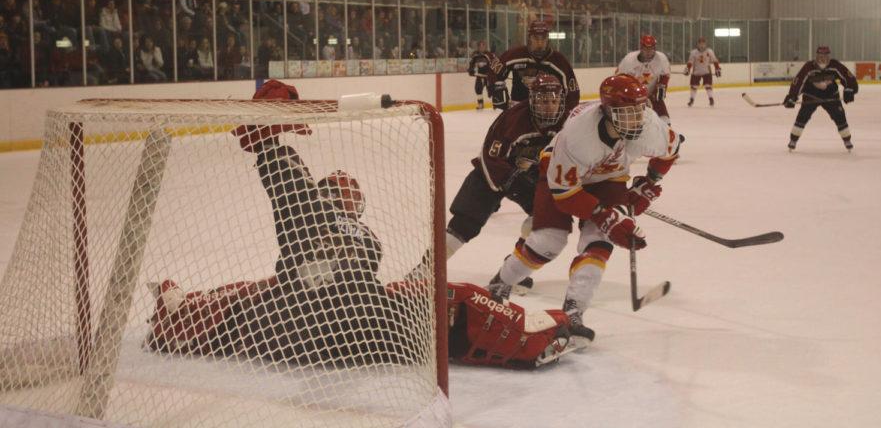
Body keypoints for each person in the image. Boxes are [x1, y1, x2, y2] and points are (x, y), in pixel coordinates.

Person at [144, 80, 575, 370]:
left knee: (253, 295)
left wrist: (181, 307)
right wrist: (270, 144)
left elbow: (277, 250)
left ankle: (180, 315)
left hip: (291, 327)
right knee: (451, 301)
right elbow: (294, 199)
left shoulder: (322, 226)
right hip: (351, 328)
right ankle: (527, 338)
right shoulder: (338, 226)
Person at [486, 74, 683, 347]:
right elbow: (566, 195)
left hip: (609, 178)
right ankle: (499, 284)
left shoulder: (650, 126)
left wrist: (649, 184)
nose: (636, 119)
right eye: (626, 113)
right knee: (548, 242)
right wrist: (608, 217)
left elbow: (672, 150)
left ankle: (574, 311)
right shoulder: (578, 136)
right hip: (561, 176)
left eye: (639, 110)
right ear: (607, 110)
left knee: (598, 242)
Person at [445, 75, 567, 293]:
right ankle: (426, 271)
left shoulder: (567, 124)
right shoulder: (514, 119)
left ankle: (512, 270)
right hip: (493, 172)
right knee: (464, 223)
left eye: (553, 101)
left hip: (529, 177)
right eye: (543, 101)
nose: (549, 107)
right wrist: (511, 180)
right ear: (532, 100)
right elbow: (489, 158)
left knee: (544, 218)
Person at [488, 19, 579, 115]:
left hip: (547, 111)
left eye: (543, 39)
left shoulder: (559, 60)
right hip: (518, 108)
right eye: (536, 38)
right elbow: (494, 71)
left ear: (548, 39)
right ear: (529, 38)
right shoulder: (514, 54)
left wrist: (568, 110)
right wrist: (496, 89)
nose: (540, 43)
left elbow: (572, 90)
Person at [783, 45, 858, 151]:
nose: (822, 58)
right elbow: (798, 82)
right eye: (820, 55)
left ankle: (847, 139)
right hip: (811, 96)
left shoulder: (835, 65)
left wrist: (850, 89)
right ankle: (793, 140)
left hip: (831, 97)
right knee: (802, 116)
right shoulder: (809, 67)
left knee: (840, 116)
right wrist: (792, 96)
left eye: (825, 55)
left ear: (829, 56)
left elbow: (848, 78)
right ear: (816, 56)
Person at [617, 34, 671, 123]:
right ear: (641, 48)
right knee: (634, 120)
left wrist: (660, 89)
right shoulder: (629, 60)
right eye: (646, 48)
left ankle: (667, 130)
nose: (648, 52)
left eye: (651, 48)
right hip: (633, 96)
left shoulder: (661, 58)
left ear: (655, 48)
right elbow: (621, 78)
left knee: (663, 116)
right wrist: (634, 95)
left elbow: (665, 75)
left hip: (652, 94)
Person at [684, 36, 721, 107]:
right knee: (694, 86)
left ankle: (711, 99)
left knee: (708, 86)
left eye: (703, 43)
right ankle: (691, 99)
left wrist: (717, 69)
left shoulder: (709, 51)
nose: (702, 45)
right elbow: (690, 62)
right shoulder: (693, 52)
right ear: (697, 44)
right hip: (696, 72)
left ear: (705, 44)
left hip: (706, 71)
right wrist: (687, 69)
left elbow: (715, 60)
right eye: (700, 43)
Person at [467, 40, 497, 110]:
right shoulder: (475, 55)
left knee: (491, 90)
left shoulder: (489, 54)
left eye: (483, 46)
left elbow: (493, 63)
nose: (481, 47)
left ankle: (495, 104)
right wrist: (470, 70)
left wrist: (493, 72)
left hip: (488, 76)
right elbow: (472, 64)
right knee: (478, 89)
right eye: (480, 46)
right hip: (480, 76)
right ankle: (480, 104)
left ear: (485, 47)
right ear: (478, 47)